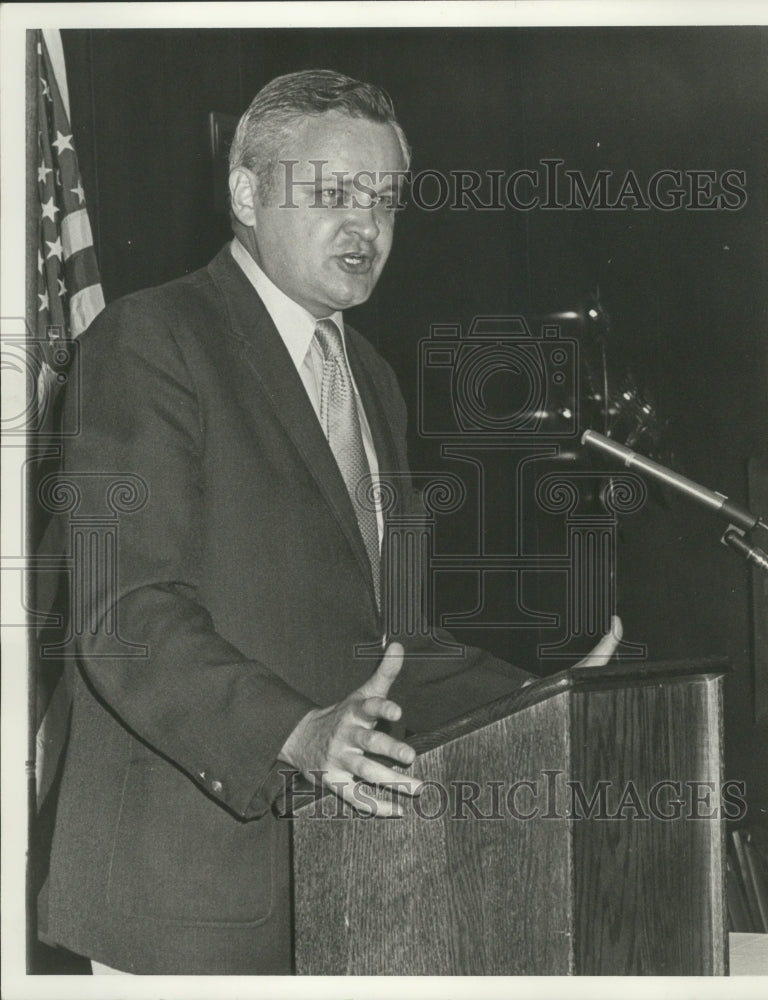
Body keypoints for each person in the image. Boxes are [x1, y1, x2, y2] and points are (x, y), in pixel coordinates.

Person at [38, 69, 620, 975]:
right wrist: (297, 732)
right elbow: (125, 616)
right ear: (245, 192)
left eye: (384, 201)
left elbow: (396, 644)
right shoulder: (151, 341)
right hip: (182, 904)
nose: (367, 226)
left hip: (345, 896)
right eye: (334, 193)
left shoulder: (372, 379)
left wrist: (551, 705)